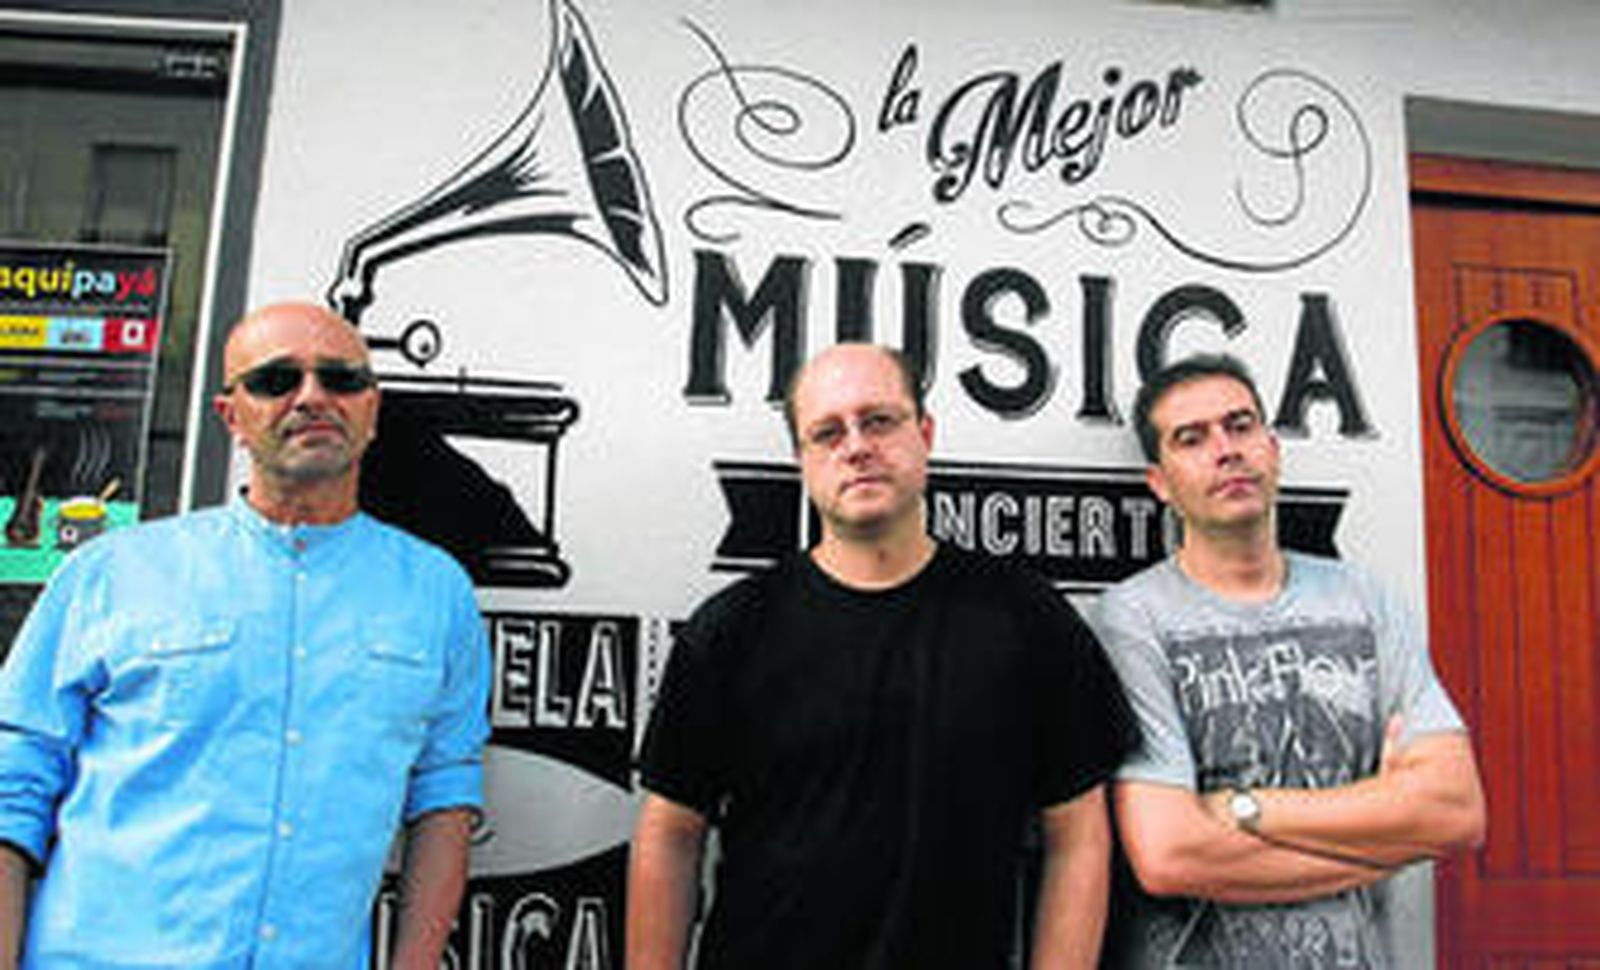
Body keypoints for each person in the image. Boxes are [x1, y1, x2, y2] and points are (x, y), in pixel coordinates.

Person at [0, 301, 490, 969]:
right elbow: (11, 789)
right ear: (231, 415)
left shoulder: (438, 596)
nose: (312, 397)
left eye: (340, 379)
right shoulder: (108, 574)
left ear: (372, 408)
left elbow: (443, 805)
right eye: (275, 379)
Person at [627, 342, 1137, 969]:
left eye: (878, 420)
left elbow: (1078, 836)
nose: (856, 446)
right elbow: (671, 833)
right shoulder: (733, 629)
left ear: (924, 434)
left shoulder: (1025, 617)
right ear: (803, 461)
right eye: (827, 432)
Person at [1090, 353, 1486, 968]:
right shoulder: (1135, 616)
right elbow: (1169, 855)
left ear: (1272, 448)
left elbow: (1455, 811)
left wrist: (1243, 809)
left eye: (1240, 426)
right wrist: (1386, 833)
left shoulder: (1364, 597)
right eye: (1191, 439)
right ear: (1160, 483)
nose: (1226, 450)